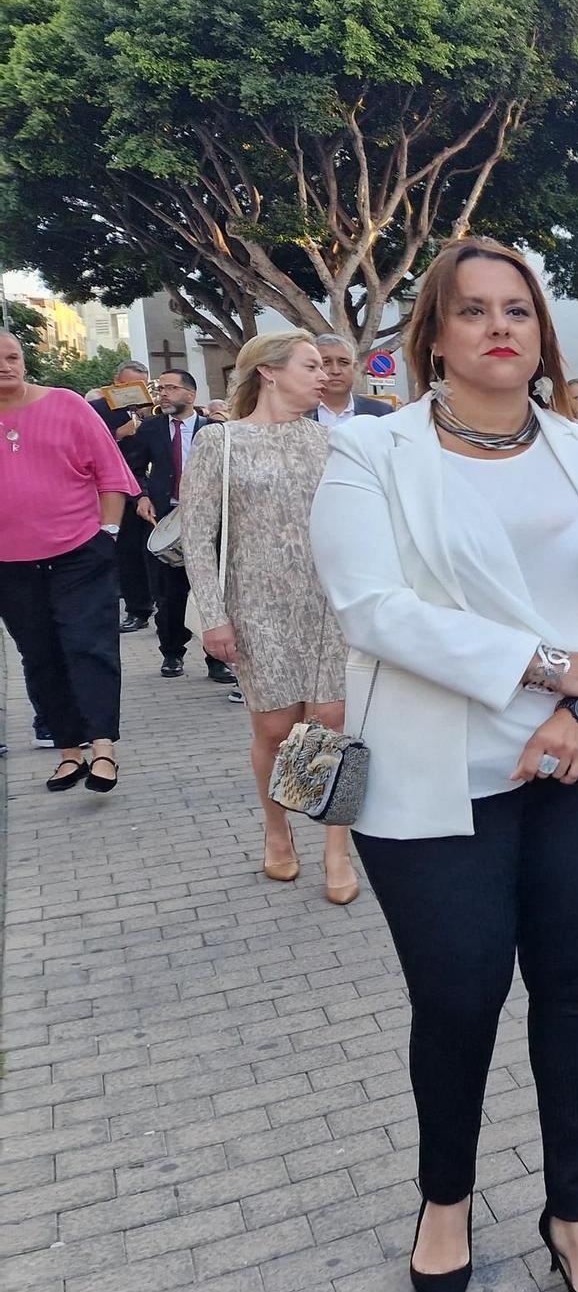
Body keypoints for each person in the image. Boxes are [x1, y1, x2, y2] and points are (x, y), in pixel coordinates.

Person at [312, 236, 578, 1292]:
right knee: (457, 1001)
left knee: (574, 995)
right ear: (433, 334)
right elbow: (372, 609)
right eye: (472, 311)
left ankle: (577, 1213)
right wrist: (547, 665)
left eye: (516, 310)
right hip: (433, 783)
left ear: (540, 333)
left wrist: (577, 710)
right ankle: (445, 1198)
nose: (499, 328)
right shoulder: (371, 457)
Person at [181, 333, 357, 905]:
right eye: (310, 365)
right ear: (270, 372)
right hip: (256, 606)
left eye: (327, 366)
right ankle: (278, 828)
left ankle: (337, 846)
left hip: (330, 601)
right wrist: (214, 615)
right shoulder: (219, 443)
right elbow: (197, 537)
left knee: (333, 720)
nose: (324, 375)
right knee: (277, 730)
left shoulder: (333, 442)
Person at [0, 329, 137, 793]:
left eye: (12, 356)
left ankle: (103, 749)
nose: (6, 365)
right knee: (39, 655)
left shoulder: (66, 404)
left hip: (80, 552)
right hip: (10, 564)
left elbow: (110, 473)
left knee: (89, 646)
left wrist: (108, 534)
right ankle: (67, 752)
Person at [130, 369, 233, 684]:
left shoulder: (216, 430)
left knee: (211, 595)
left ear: (190, 394)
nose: (163, 393)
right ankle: (172, 653)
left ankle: (217, 661)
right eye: (161, 388)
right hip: (167, 520)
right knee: (170, 595)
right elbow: (133, 469)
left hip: (210, 523)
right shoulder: (151, 430)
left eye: (171, 388)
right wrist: (142, 496)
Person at [90, 358, 156, 632]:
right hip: (117, 491)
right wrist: (118, 433)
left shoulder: (152, 409)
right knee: (127, 554)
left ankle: (163, 604)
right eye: (129, 383)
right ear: (117, 383)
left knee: (154, 551)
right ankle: (137, 609)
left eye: (140, 384)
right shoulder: (96, 409)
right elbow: (88, 444)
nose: (134, 389)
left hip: (150, 488)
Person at [312, 334, 394, 424]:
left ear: (355, 368)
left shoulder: (381, 413)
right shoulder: (299, 412)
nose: (335, 371)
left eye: (343, 363)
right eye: (326, 362)